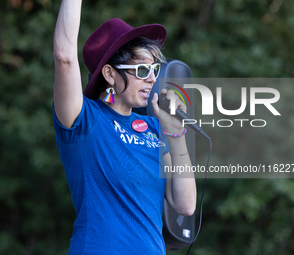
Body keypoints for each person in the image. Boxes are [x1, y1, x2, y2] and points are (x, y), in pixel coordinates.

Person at [53, 1, 196, 254]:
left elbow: (185, 205)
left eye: (154, 69)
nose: (152, 78)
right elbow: (64, 57)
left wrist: (176, 134)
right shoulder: (85, 119)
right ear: (109, 74)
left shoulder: (154, 128)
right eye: (142, 70)